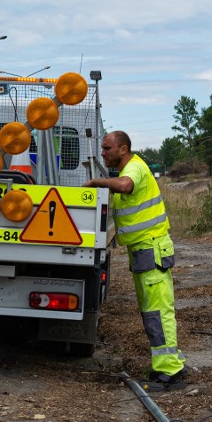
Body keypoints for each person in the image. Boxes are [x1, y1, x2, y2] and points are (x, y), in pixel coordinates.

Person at [84, 131, 187, 391]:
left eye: (107, 148)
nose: (103, 152)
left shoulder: (135, 168)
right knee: (152, 311)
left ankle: (170, 373)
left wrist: (98, 182)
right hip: (143, 251)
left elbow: (125, 186)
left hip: (151, 249)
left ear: (123, 149)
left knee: (158, 312)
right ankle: (166, 367)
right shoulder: (129, 168)